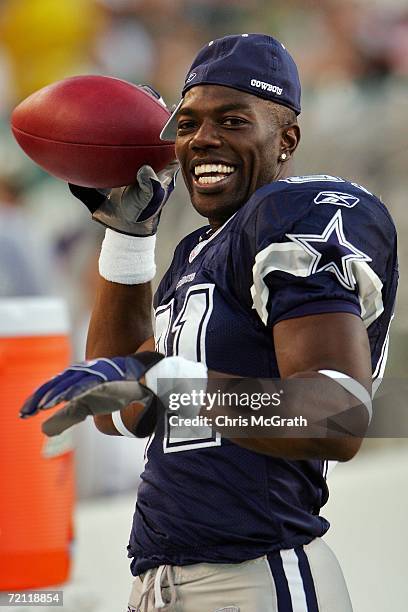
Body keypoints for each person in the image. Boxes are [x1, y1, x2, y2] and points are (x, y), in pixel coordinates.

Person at [21, 34, 398, 611]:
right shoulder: (198, 251)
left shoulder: (295, 210)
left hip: (255, 576)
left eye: (232, 120)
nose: (203, 139)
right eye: (188, 123)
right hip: (162, 580)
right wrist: (126, 240)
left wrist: (177, 390)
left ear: (286, 139)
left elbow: (338, 413)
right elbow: (121, 406)